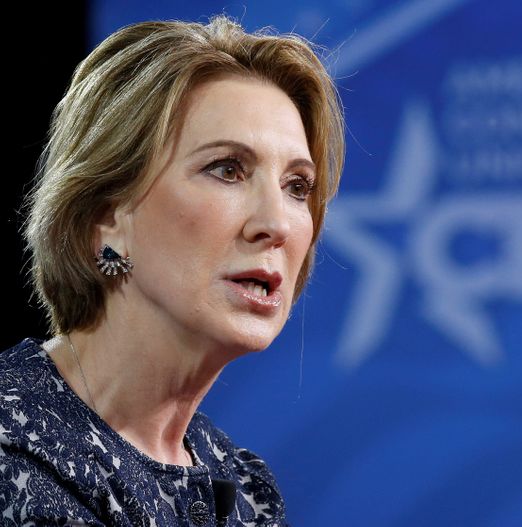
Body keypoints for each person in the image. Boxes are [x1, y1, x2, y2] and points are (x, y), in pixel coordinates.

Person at [0, 13, 344, 526]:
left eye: (297, 187)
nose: (278, 224)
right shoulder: (15, 455)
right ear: (106, 218)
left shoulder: (246, 493)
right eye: (227, 170)